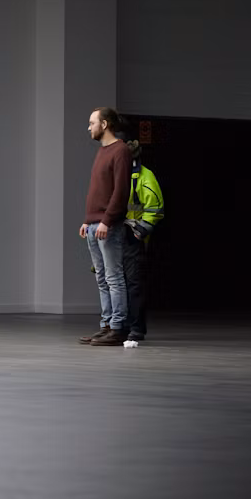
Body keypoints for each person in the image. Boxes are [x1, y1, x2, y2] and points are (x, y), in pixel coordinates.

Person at [79, 107, 132, 347]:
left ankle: (119, 328)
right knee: (102, 278)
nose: (89, 127)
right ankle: (107, 325)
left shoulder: (120, 150)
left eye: (92, 123)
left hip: (107, 225)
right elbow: (100, 190)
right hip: (94, 224)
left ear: (105, 124)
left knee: (113, 277)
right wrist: (88, 220)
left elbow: (120, 192)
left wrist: (106, 220)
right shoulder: (102, 152)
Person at [122, 138, 164, 344]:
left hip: (131, 235)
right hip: (112, 235)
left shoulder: (143, 176)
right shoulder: (115, 173)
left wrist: (140, 230)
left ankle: (135, 329)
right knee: (114, 283)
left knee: (133, 283)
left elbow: (155, 208)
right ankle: (117, 327)